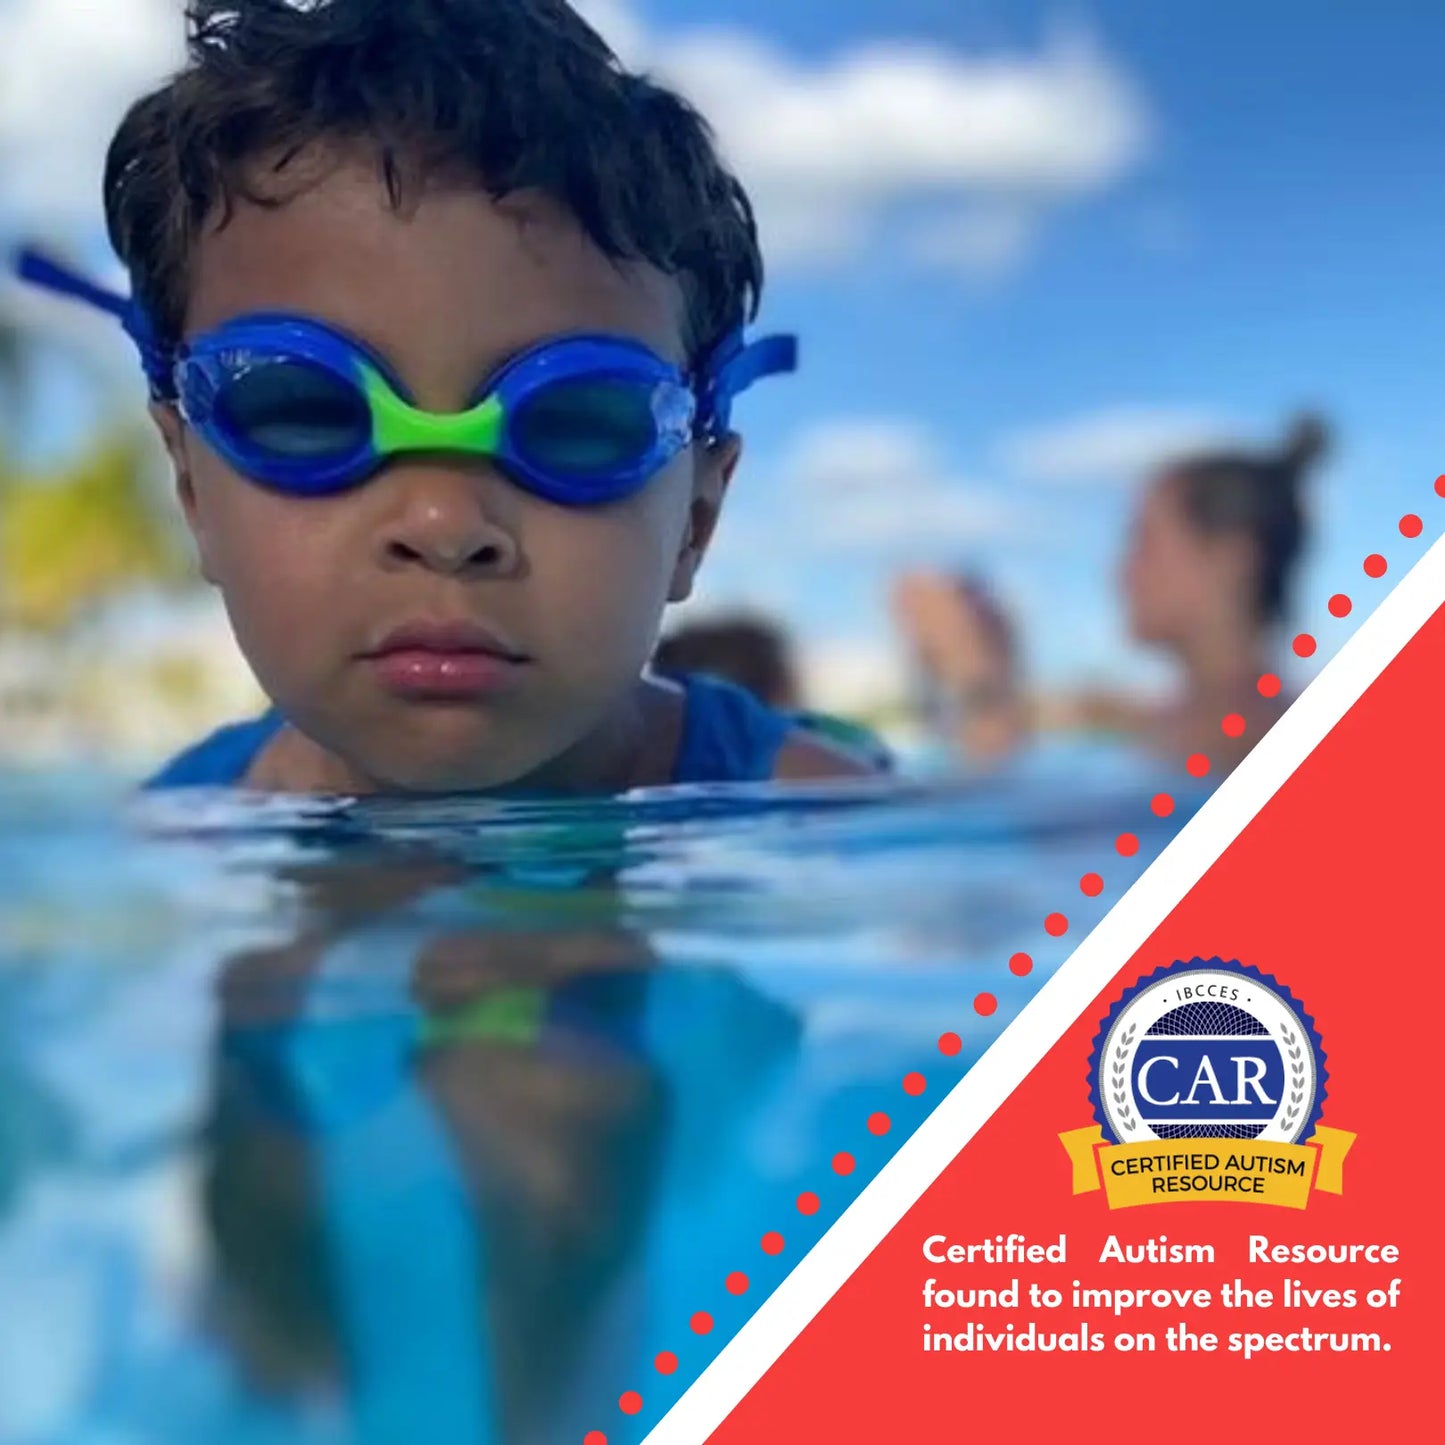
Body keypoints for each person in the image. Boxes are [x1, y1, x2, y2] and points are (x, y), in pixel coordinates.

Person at [17, 0, 880, 794]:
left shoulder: (829, 824)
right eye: (307, 412)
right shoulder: (178, 834)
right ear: (195, 492)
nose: (444, 524)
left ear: (694, 519)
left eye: (578, 422)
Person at [894, 416, 1329, 773]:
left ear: (1231, 559)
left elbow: (1063, 861)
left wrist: (979, 683)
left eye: (1144, 544)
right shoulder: (1185, 724)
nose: (1122, 573)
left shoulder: (1241, 732)